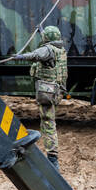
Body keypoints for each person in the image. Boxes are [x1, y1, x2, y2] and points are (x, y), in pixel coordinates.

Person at [27, 25, 68, 169]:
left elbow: (36, 54)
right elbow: (47, 43)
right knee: (47, 122)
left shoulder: (48, 51)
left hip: (48, 93)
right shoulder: (59, 49)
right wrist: (41, 30)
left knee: (48, 123)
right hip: (56, 91)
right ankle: (52, 157)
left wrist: (19, 56)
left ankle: (53, 159)